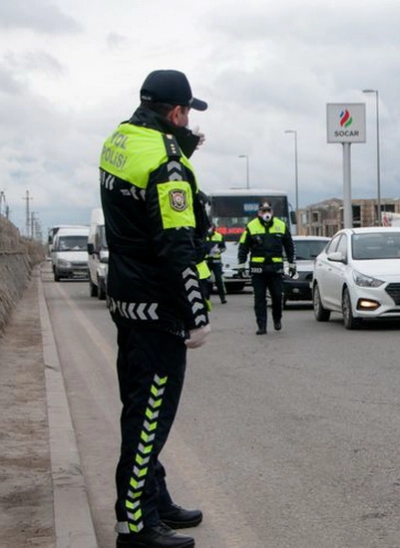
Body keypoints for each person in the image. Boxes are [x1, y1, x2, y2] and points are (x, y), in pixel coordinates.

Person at [99, 69, 211, 548]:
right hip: (158, 307)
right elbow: (175, 244)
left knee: (140, 407)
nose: (189, 122)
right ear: (177, 112)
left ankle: (155, 497)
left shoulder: (119, 140)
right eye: (187, 112)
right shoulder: (167, 163)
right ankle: (136, 525)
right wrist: (195, 313)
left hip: (127, 298)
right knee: (148, 418)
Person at [238, 201, 296, 335]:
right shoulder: (251, 226)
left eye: (268, 210)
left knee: (277, 297)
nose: (266, 213)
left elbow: (289, 246)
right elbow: (243, 247)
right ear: (258, 213)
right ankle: (261, 326)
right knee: (259, 299)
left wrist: (292, 265)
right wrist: (241, 266)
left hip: (275, 270)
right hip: (258, 271)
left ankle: (277, 319)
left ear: (272, 212)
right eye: (263, 211)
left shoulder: (281, 226)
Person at [205, 223, 227, 304]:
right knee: (206, 281)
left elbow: (223, 247)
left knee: (219, 280)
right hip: (206, 261)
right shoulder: (203, 236)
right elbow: (199, 247)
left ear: (214, 228)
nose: (210, 229)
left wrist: (219, 250)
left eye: (211, 227)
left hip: (216, 261)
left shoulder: (219, 236)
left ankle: (222, 298)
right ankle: (206, 298)